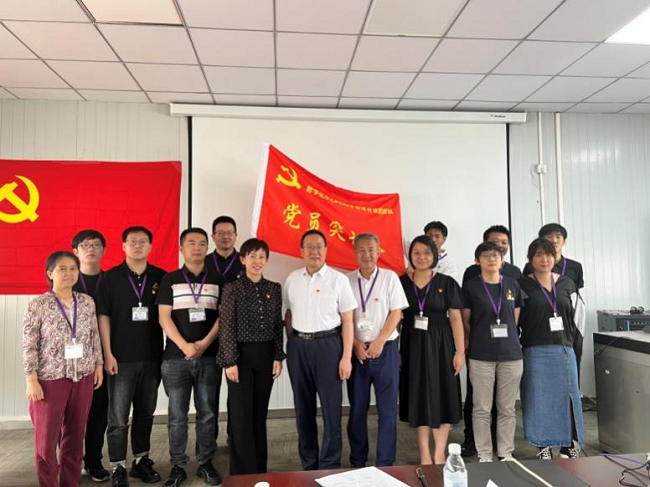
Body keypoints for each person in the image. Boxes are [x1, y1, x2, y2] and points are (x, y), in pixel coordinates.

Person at [23, 251, 103, 486]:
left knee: (75, 436)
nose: (69, 273)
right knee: (46, 441)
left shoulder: (86, 302)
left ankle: (70, 482)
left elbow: (94, 335)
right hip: (49, 378)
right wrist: (31, 379)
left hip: (83, 375)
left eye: (73, 268)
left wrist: (98, 364)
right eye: (62, 269)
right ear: (50, 273)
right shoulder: (38, 304)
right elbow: (29, 344)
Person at [96, 226, 166, 487]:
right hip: (120, 359)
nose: (137, 245)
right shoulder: (110, 278)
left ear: (150, 246)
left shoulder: (161, 276)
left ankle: (141, 460)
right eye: (132, 241)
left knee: (146, 413)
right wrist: (107, 354)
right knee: (118, 417)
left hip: (152, 357)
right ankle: (118, 466)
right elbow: (103, 316)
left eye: (143, 241)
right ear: (123, 246)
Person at [284, 229, 357, 470]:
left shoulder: (338, 280)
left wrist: (346, 357)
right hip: (298, 347)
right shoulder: (292, 279)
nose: (314, 251)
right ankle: (309, 463)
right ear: (301, 251)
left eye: (319, 247)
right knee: (302, 409)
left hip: (329, 346)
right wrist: (294, 342)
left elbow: (348, 321)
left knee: (331, 409)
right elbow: (288, 314)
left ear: (326, 250)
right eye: (309, 247)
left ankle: (329, 464)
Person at [157, 228, 224, 486]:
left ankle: (205, 462)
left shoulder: (217, 279)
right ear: (181, 248)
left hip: (209, 358)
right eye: (191, 243)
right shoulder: (170, 279)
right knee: (177, 416)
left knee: (207, 413)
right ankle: (178, 465)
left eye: (202, 243)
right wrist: (185, 346)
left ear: (207, 247)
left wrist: (204, 344)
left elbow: (223, 317)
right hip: (176, 359)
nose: (197, 247)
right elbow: (164, 317)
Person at [217, 238, 286, 475]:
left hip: (266, 357)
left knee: (259, 414)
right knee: (241, 416)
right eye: (252, 256)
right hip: (240, 358)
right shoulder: (232, 289)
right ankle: (241, 473)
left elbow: (277, 324)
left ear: (267, 260)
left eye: (262, 256)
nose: (257, 261)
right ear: (243, 259)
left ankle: (259, 469)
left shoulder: (274, 288)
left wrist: (278, 356)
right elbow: (227, 326)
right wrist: (230, 361)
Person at [399, 235, 464, 465]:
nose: (422, 257)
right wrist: (395, 351)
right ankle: (425, 455)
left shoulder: (447, 282)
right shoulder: (401, 283)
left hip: (441, 344)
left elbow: (455, 318)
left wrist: (460, 351)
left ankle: (440, 453)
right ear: (410, 256)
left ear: (434, 255)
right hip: (412, 345)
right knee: (418, 396)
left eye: (427, 252)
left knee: (443, 395)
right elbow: (395, 318)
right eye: (416, 253)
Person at [518, 238, 584, 460]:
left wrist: (575, 345)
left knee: (569, 396)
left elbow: (578, 318)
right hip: (534, 349)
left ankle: (570, 444)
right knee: (538, 398)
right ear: (530, 259)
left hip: (564, 348)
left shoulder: (567, 283)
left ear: (555, 257)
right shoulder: (521, 285)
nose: (544, 259)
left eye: (548, 254)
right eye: (538, 254)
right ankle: (543, 445)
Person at [346, 233, 408, 468]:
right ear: (355, 253)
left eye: (371, 249)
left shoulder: (390, 278)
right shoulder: (346, 280)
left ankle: (385, 461)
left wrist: (380, 341)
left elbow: (396, 312)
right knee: (357, 410)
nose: (367, 254)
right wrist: (354, 344)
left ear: (379, 251)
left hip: (386, 351)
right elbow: (344, 317)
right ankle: (357, 460)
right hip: (358, 353)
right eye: (361, 250)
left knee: (387, 410)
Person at [461, 224, 521, 457]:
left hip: (511, 354)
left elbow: (515, 317)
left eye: (495, 255)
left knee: (507, 408)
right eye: (486, 256)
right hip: (481, 354)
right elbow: (466, 321)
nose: (491, 259)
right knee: (482, 408)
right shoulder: (471, 287)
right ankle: (485, 454)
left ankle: (505, 452)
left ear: (502, 259)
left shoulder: (512, 284)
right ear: (477, 261)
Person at [523, 223, 585, 384]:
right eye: (549, 237)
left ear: (564, 241)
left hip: (564, 341)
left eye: (558, 237)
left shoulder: (571, 275)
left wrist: (575, 341)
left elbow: (576, 307)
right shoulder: (523, 282)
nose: (544, 259)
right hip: (534, 343)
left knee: (567, 387)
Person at [72, 229, 110, 482]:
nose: (91, 249)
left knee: (98, 412)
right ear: (75, 251)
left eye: (96, 245)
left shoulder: (112, 280)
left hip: (103, 357)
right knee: (72, 415)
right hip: (72, 359)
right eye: (85, 245)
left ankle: (94, 461)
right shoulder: (67, 279)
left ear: (104, 250)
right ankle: (70, 462)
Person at [206, 215, 243, 283]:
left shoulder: (245, 261)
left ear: (235, 236)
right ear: (213, 237)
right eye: (220, 233)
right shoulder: (203, 262)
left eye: (229, 233)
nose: (225, 236)